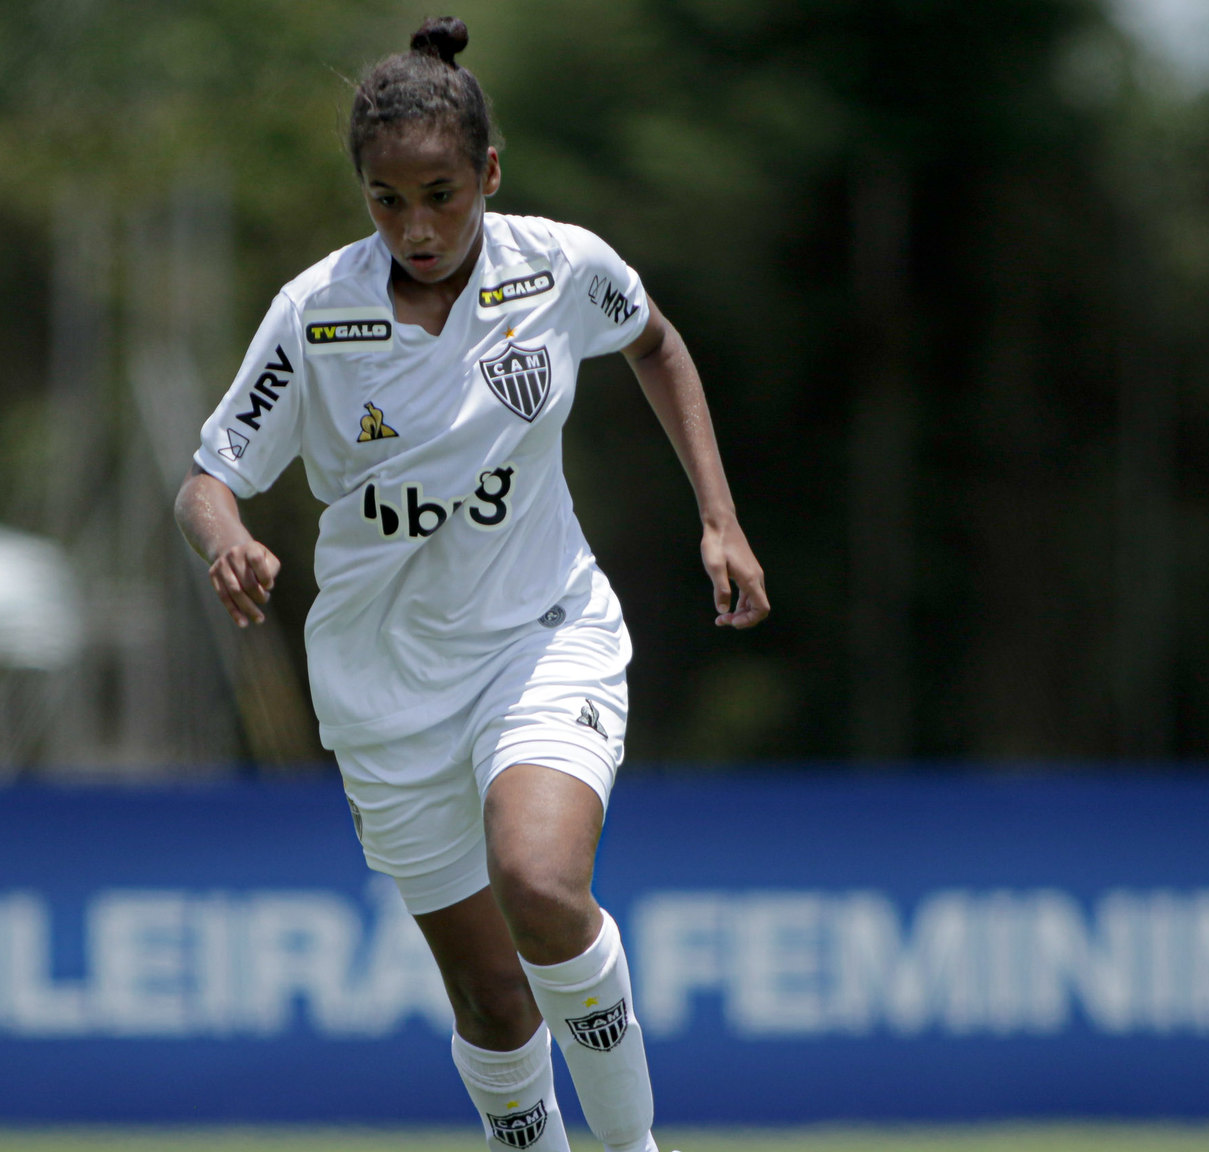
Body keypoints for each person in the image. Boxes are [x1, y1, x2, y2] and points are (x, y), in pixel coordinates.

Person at [174, 16, 767, 1151]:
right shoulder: (316, 314)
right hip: (382, 682)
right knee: (492, 1002)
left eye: (441, 193)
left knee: (539, 880)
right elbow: (209, 474)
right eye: (386, 201)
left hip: (541, 634)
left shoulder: (559, 266)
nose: (417, 226)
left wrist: (718, 518)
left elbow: (653, 342)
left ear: (488, 174)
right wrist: (226, 539)